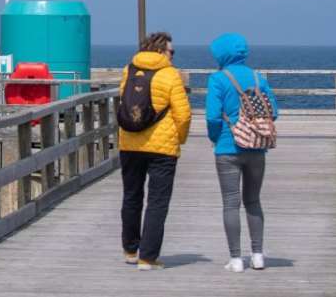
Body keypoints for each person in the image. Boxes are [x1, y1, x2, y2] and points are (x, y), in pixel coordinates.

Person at [206, 32, 278, 273]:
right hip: (257, 147)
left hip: (228, 147)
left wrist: (216, 138)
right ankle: (257, 255)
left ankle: (235, 259)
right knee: (253, 200)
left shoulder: (218, 79)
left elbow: (212, 116)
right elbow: (273, 112)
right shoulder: (258, 78)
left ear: (221, 54)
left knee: (231, 203)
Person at [119, 31, 192, 271]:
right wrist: (179, 139)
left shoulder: (129, 70)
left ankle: (130, 250)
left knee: (132, 196)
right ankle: (147, 257)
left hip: (130, 143)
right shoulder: (170, 75)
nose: (172, 56)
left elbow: (125, 103)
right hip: (162, 148)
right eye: (172, 51)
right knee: (157, 201)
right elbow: (183, 114)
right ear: (161, 51)